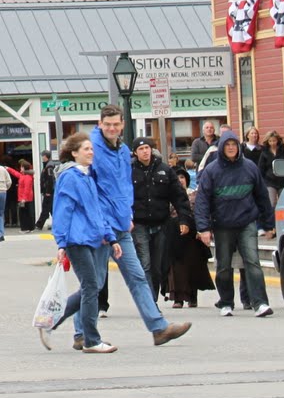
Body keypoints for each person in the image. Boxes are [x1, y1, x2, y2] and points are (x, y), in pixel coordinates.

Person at [82, 106, 192, 347]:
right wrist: (100, 224)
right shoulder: (91, 148)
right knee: (95, 282)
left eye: (116, 124)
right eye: (107, 124)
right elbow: (89, 190)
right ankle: (77, 330)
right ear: (100, 123)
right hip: (101, 228)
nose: (111, 128)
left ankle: (158, 328)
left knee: (138, 277)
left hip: (121, 225)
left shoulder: (122, 151)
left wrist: (128, 213)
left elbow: (124, 186)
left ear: (122, 125)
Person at [43, 133, 117, 353]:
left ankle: (50, 322)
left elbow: (96, 211)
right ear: (74, 153)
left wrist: (110, 236)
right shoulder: (71, 177)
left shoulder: (86, 176)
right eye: (86, 149)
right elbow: (62, 211)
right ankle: (91, 340)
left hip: (91, 238)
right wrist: (62, 243)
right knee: (91, 286)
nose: (91, 152)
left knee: (90, 287)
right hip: (77, 239)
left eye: (91, 149)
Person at [194, 128, 276, 318]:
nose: (231, 148)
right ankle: (226, 302)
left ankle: (260, 303)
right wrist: (203, 228)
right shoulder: (211, 171)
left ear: (238, 147)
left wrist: (268, 222)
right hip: (222, 224)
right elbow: (202, 201)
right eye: (227, 145)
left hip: (247, 221)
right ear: (222, 147)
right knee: (223, 265)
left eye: (233, 145)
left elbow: (262, 195)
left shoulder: (250, 167)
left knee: (253, 262)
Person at [131, 141, 191, 302]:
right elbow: (122, 198)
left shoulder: (165, 170)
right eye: (141, 149)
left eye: (147, 148)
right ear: (135, 152)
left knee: (159, 267)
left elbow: (179, 197)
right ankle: (149, 303)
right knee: (146, 264)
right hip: (139, 224)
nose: (145, 152)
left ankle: (153, 298)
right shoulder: (129, 171)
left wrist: (184, 219)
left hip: (161, 224)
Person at [168, 167, 212, 308]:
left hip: (193, 237)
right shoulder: (168, 196)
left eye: (182, 177)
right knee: (176, 268)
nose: (180, 180)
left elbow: (202, 212)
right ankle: (178, 298)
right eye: (177, 177)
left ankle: (192, 296)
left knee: (193, 265)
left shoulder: (195, 195)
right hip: (174, 236)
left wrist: (202, 229)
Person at [259, 131, 284, 210]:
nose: (272, 143)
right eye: (270, 141)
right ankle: (272, 219)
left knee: (283, 202)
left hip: (283, 180)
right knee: (272, 202)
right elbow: (261, 168)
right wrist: (262, 181)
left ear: (277, 140)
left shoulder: (283, 149)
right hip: (270, 181)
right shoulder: (264, 152)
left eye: (274, 141)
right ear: (268, 142)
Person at [7, 160, 37, 232]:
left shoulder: (26, 177)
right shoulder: (24, 175)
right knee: (26, 213)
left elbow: (27, 188)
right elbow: (15, 173)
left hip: (24, 198)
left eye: (21, 167)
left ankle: (26, 228)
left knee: (24, 214)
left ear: (24, 168)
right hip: (24, 198)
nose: (20, 168)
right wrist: (8, 169)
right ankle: (30, 227)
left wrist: (24, 198)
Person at [35, 153, 56, 230]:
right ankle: (40, 224)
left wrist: (48, 191)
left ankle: (39, 224)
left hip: (49, 192)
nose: (42, 157)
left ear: (46, 156)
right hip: (48, 191)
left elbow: (50, 179)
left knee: (47, 208)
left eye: (43, 156)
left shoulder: (49, 166)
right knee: (49, 208)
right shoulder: (47, 165)